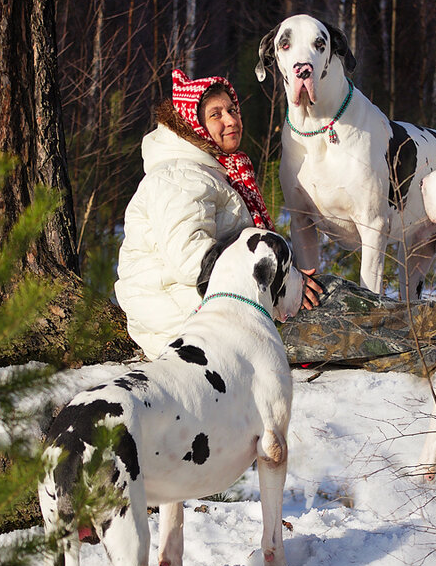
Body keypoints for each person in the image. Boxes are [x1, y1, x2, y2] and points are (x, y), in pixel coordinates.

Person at [115, 69, 322, 359]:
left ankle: (409, 330)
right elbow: (191, 261)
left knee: (333, 299)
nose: (231, 120)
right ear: (192, 123)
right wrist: (285, 282)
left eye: (232, 109)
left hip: (217, 312)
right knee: (341, 312)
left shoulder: (208, 172)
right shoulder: (179, 176)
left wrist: (287, 280)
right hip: (191, 326)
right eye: (216, 114)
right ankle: (410, 335)